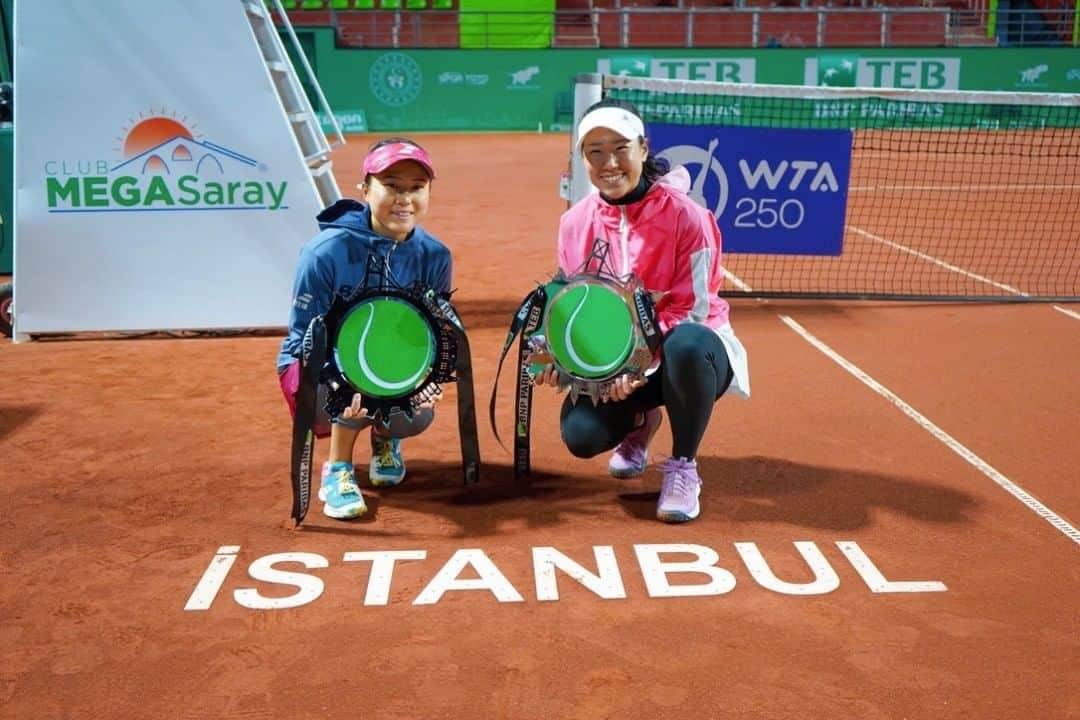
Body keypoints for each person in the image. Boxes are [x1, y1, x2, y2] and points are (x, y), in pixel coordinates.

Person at [534, 100, 750, 523]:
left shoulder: (690, 217)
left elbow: (695, 310)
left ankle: (684, 464)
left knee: (689, 345)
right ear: (583, 158)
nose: (608, 161)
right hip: (619, 365)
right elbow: (577, 303)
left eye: (620, 148)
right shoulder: (575, 222)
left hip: (688, 353)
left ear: (643, 149)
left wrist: (634, 364)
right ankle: (639, 422)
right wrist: (562, 360)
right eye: (595, 151)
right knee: (581, 436)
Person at [277, 137, 451, 520]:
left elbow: (433, 334)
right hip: (314, 368)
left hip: (388, 361)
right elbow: (304, 337)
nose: (404, 198)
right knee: (359, 385)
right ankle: (337, 468)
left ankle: (385, 439)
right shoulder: (323, 253)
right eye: (391, 185)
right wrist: (348, 380)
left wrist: (427, 378)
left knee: (415, 412)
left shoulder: (436, 256)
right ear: (365, 189)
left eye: (415, 188)